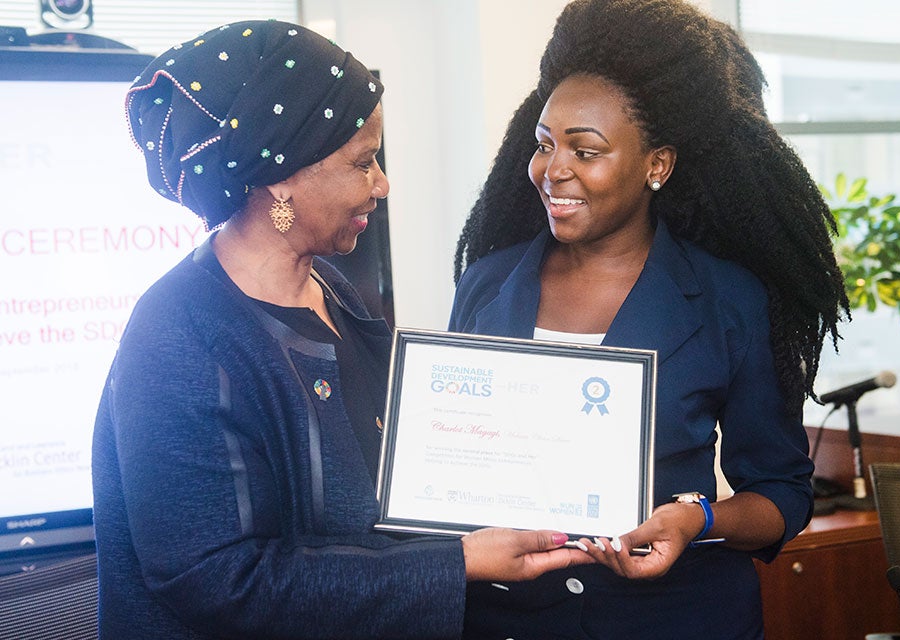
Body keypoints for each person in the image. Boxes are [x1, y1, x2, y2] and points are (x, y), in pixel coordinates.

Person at [92, 20, 590, 640]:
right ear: (280, 176)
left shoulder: (330, 288)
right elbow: (221, 583)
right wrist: (455, 563)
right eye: (364, 162)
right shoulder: (175, 336)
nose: (382, 185)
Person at [449, 1, 850, 638]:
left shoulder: (728, 301)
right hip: (511, 620)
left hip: (674, 617)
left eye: (586, 150)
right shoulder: (487, 285)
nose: (554, 170)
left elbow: (781, 493)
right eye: (545, 144)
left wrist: (699, 519)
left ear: (655, 166)